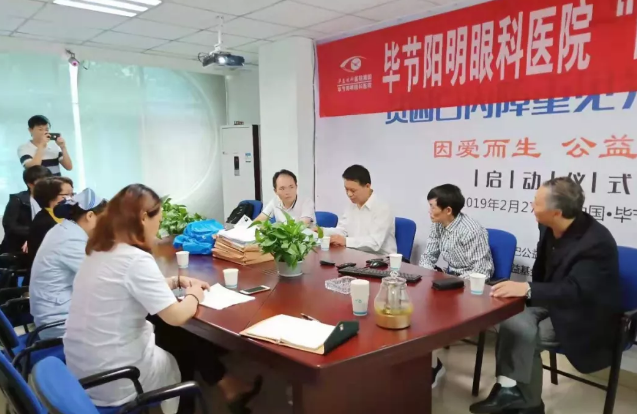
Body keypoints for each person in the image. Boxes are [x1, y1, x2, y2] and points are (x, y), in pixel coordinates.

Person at [64, 184, 261, 414]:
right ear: (143, 218)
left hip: (82, 370)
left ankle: (227, 385)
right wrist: (194, 294)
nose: (157, 233)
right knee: (179, 341)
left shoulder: (99, 249)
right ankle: (192, 403)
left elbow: (124, 288)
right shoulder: (135, 259)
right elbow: (177, 316)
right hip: (116, 377)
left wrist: (173, 282)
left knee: (172, 332)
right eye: (157, 222)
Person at [469, 177, 621, 414]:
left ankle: (528, 403)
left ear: (556, 212)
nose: (531, 206)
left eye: (536, 203)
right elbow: (543, 271)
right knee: (511, 321)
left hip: (584, 314)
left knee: (526, 335)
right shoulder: (548, 226)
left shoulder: (596, 242)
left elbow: (576, 290)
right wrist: (528, 293)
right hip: (551, 300)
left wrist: (527, 288)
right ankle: (510, 390)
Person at [420, 184, 494, 388]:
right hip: (450, 279)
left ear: (448, 210)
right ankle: (427, 361)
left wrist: (453, 281)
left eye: (432, 207)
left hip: (472, 284)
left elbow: (482, 271)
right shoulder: (437, 223)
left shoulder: (471, 230)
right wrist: (424, 277)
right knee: (418, 305)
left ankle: (433, 366)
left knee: (430, 316)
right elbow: (428, 256)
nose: (429, 211)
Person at [29, 189, 106, 340]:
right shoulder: (70, 239)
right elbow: (101, 277)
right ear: (90, 216)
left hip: (60, 311)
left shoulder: (66, 230)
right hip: (59, 324)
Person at [322, 165, 396, 255]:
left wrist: (346, 241)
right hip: (355, 255)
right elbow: (343, 231)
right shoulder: (351, 205)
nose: (349, 194)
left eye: (353, 190)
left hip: (380, 259)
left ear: (367, 186)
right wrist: (321, 231)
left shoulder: (382, 208)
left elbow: (375, 243)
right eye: (346, 189)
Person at [0, 165, 52, 256]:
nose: (46, 185)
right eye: (42, 182)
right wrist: (32, 236)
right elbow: (10, 226)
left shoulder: (51, 200)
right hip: (17, 246)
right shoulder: (17, 199)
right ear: (30, 184)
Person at [27, 176, 74, 269]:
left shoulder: (69, 216)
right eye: (67, 195)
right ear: (50, 196)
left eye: (72, 194)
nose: (72, 199)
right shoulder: (43, 222)